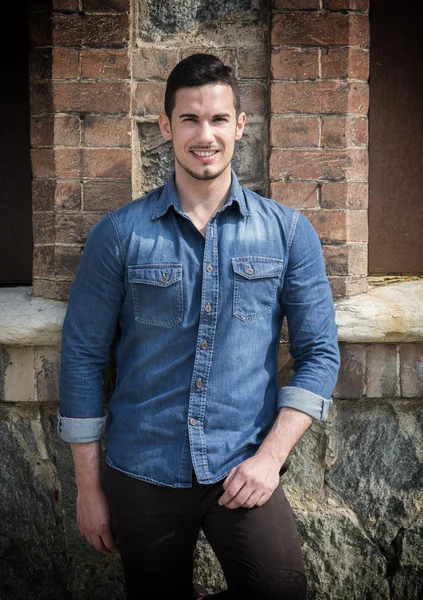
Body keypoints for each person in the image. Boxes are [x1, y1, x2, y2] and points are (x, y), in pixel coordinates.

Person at [58, 53, 340, 600]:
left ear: (239, 125)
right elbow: (83, 360)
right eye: (189, 119)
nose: (203, 134)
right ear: (166, 126)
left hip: (243, 466)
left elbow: (321, 354)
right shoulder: (118, 235)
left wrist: (270, 459)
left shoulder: (287, 233)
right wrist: (88, 488)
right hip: (143, 469)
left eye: (216, 119)